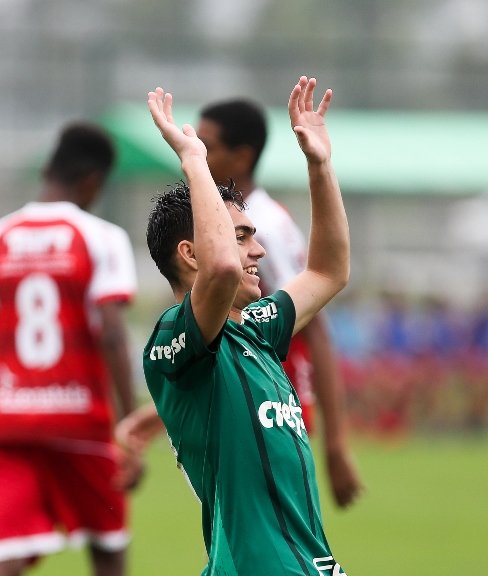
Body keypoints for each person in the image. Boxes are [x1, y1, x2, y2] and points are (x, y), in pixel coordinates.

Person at [141, 76, 350, 574]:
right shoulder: (175, 338)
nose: (257, 250)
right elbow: (221, 271)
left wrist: (319, 166)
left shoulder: (256, 328)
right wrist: (195, 160)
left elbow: (327, 271)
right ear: (189, 254)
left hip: (312, 564)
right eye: (241, 235)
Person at [0, 123, 139, 576]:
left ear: (48, 170)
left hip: (7, 419)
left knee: (6, 555)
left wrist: (21, 385)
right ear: (94, 181)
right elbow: (114, 334)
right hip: (81, 419)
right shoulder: (101, 236)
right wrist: (129, 425)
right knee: (107, 547)